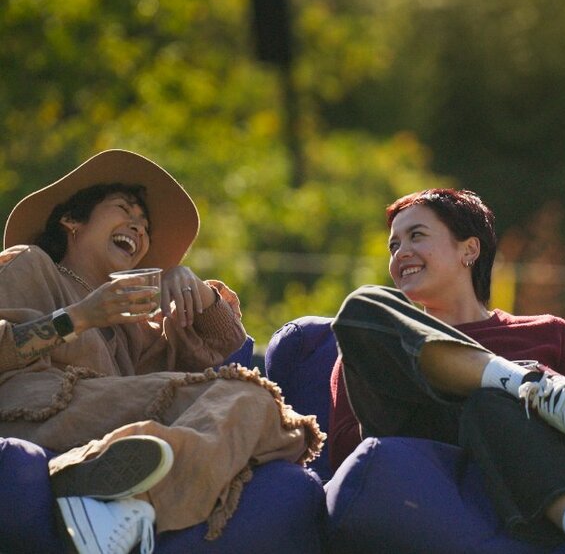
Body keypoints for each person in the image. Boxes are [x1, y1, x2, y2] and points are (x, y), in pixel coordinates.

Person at [0, 150, 323, 554]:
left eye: (145, 225)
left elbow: (218, 354)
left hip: (103, 422)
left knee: (274, 420)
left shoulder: (131, 320)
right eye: (124, 210)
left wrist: (197, 291)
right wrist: (79, 317)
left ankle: (106, 495)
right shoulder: (29, 265)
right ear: (71, 220)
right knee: (247, 397)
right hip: (28, 411)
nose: (138, 226)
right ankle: (112, 498)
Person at [328, 188, 565, 553]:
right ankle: (520, 382)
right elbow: (347, 455)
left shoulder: (548, 333)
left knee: (489, 403)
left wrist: (534, 416)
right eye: (393, 245)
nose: (400, 253)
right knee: (360, 305)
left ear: (469, 250)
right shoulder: (377, 347)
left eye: (417, 236)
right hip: (423, 466)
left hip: (525, 466)